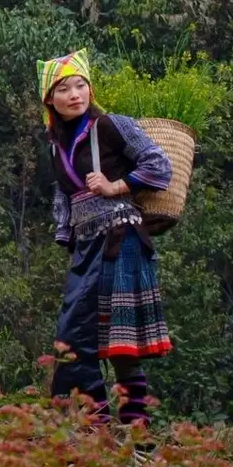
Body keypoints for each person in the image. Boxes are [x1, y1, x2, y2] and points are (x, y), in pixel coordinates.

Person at [39, 48, 173, 436]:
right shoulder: (55, 144)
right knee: (74, 334)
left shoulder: (111, 126)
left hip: (121, 237)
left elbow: (159, 165)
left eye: (80, 85)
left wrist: (115, 185)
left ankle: (135, 428)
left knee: (119, 339)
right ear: (50, 99)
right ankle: (90, 421)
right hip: (87, 246)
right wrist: (67, 236)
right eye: (64, 89)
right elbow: (63, 195)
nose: (74, 94)